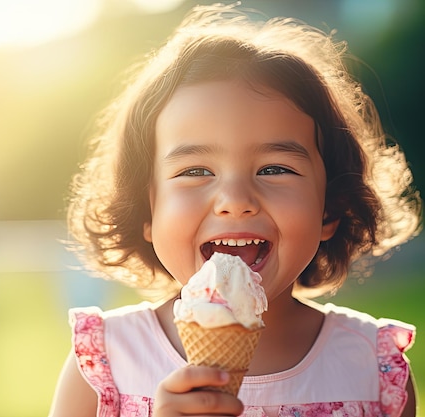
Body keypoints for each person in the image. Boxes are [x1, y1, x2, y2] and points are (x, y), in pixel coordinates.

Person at [49, 3, 422, 417]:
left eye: (275, 169)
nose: (235, 200)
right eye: (195, 170)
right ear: (147, 211)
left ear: (330, 209)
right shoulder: (106, 363)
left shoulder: (373, 369)